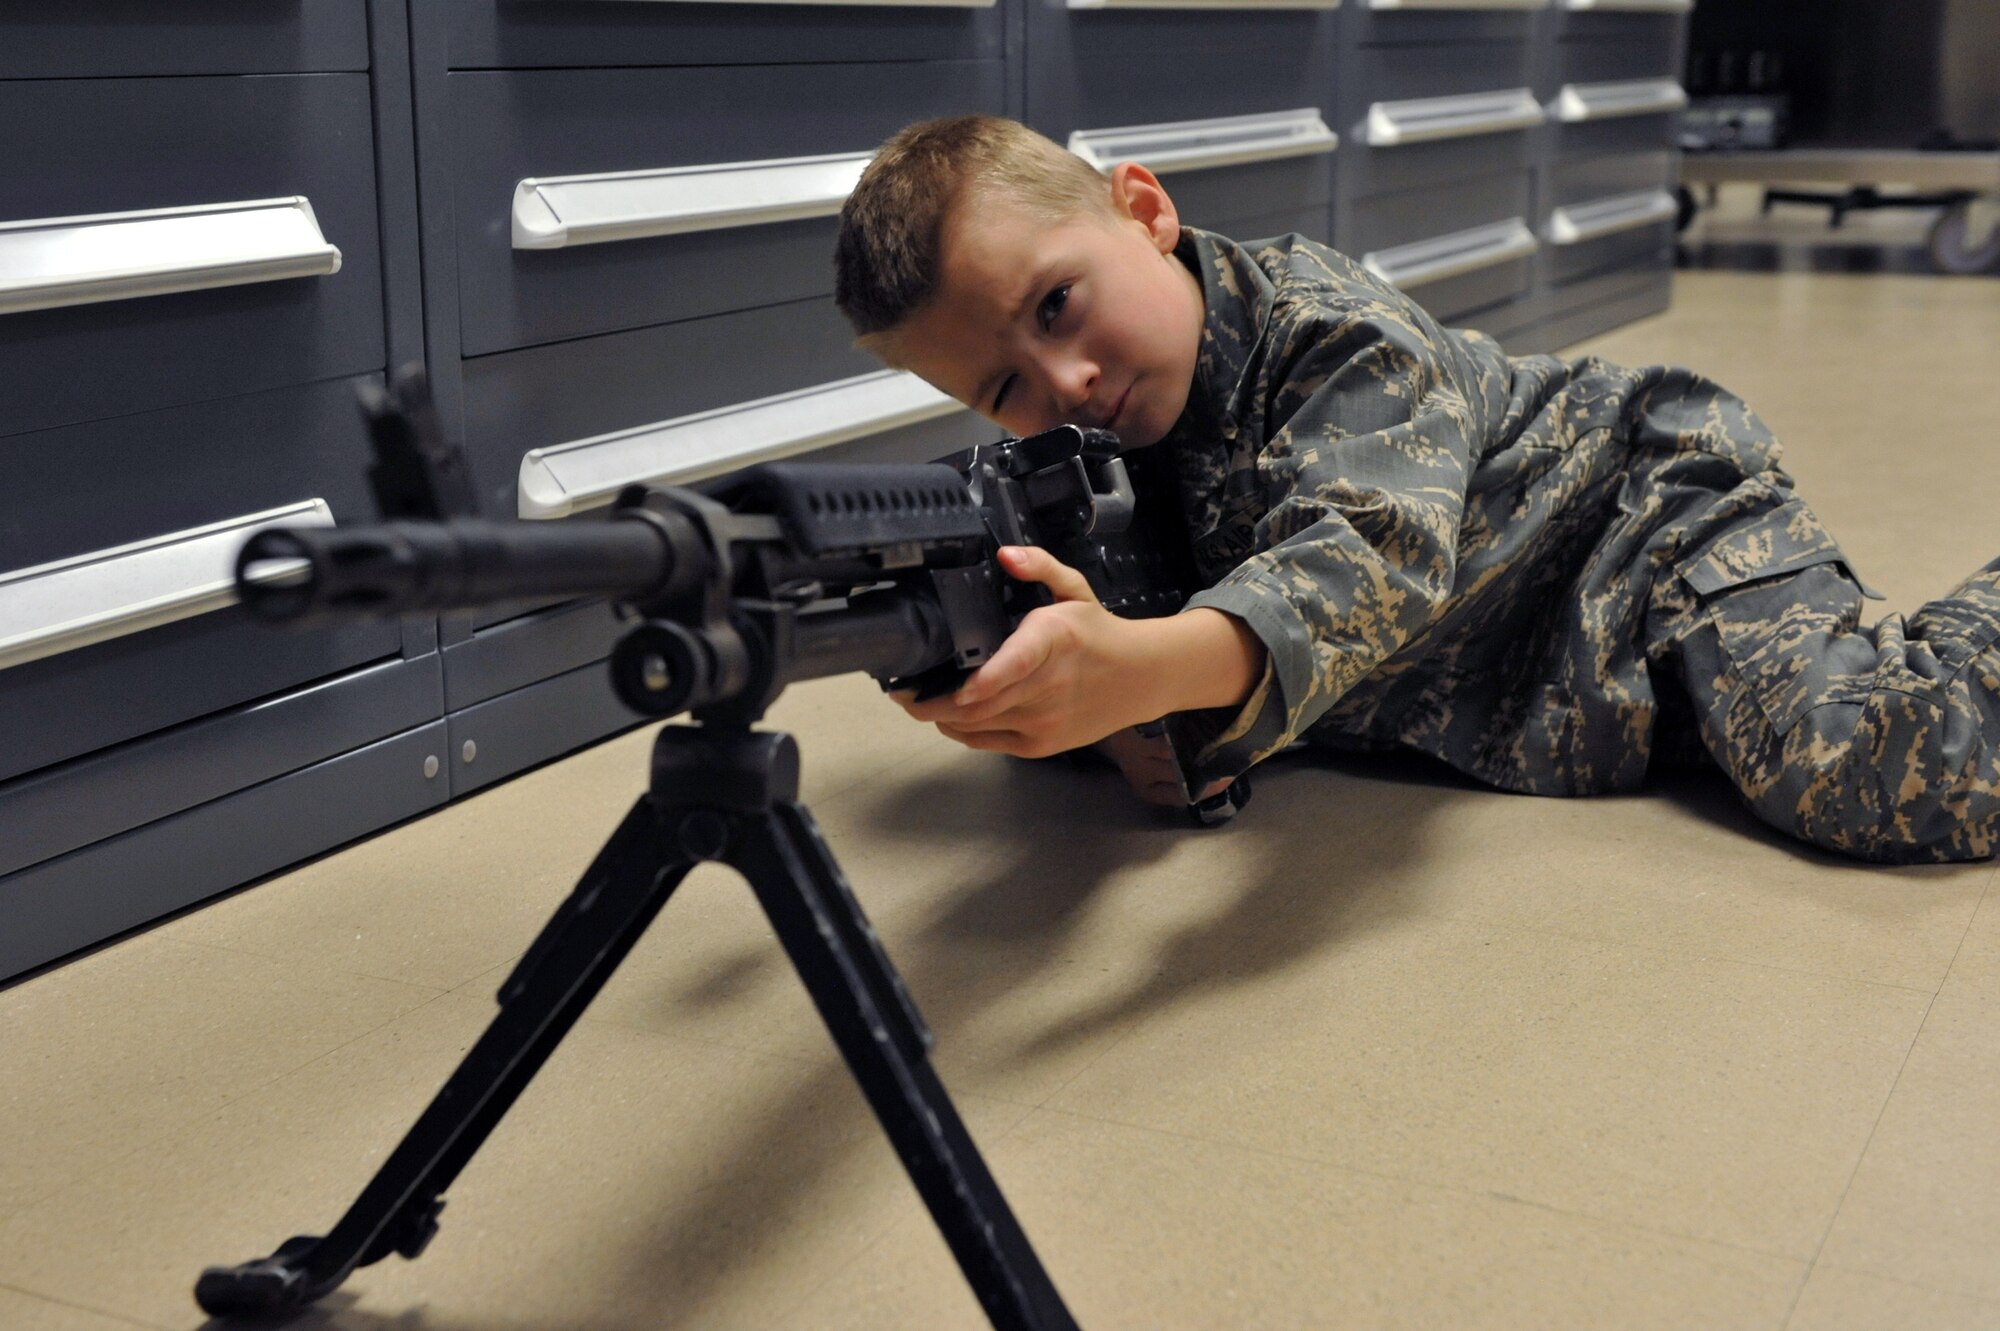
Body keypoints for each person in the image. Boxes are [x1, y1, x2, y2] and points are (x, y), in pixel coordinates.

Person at [831, 114, 2000, 864]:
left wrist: (1138, 669)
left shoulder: (1333, 331)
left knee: (1857, 761)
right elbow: (1138, 686)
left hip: (1647, 531)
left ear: (1142, 211)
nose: (1066, 381)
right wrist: (1008, 677)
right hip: (1550, 679)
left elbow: (1366, 561)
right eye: (1004, 386)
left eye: (1056, 306)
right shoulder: (1089, 467)